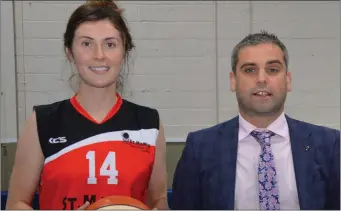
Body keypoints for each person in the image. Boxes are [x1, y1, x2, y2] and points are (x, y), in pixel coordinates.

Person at [5, 0, 168, 210]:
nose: (99, 55)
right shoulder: (43, 122)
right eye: (86, 44)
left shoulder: (149, 123)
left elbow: (159, 201)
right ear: (70, 53)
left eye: (110, 44)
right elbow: (16, 204)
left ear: (124, 51)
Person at [171, 31, 340, 210]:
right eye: (250, 70)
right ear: (233, 81)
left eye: (273, 69)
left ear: (288, 81)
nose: (261, 79)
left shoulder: (329, 144)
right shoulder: (200, 148)